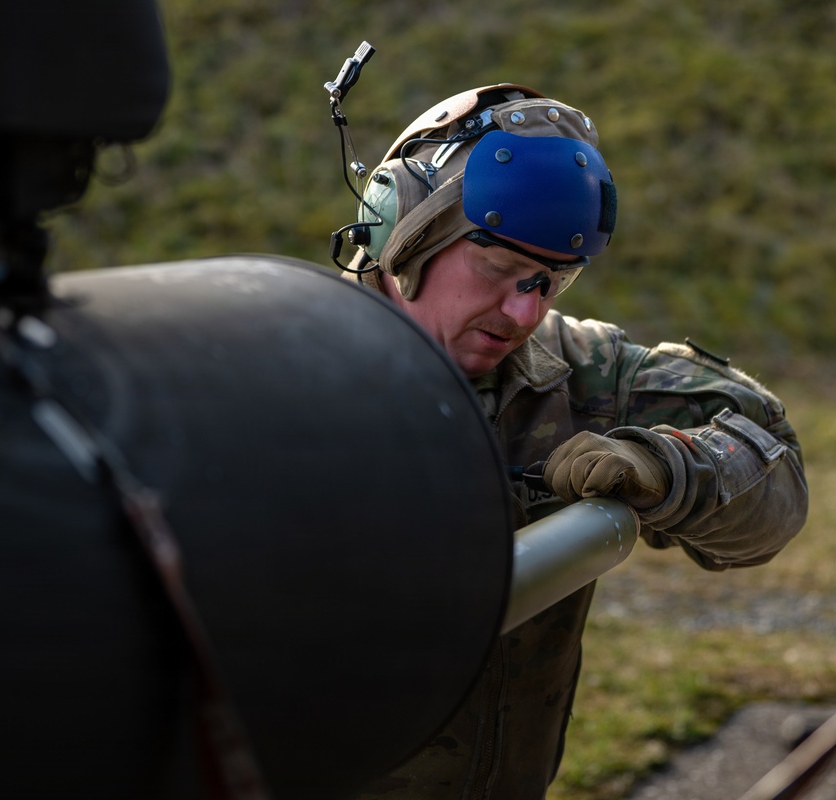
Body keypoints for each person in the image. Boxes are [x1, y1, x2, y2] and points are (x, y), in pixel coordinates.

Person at [339, 83, 809, 799]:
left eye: (550, 281)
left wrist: (667, 467)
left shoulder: (580, 376)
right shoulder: (273, 372)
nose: (524, 311)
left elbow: (772, 463)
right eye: (497, 268)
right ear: (401, 231)